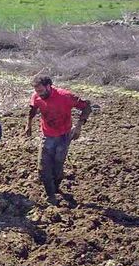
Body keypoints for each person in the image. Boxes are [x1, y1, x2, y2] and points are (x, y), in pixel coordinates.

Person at [24, 75, 91, 205]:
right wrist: (29, 124)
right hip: (47, 135)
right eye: (37, 91)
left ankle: (56, 188)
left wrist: (78, 127)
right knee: (43, 167)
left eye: (41, 91)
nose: (39, 94)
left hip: (63, 135)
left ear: (49, 86)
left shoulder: (65, 96)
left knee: (58, 164)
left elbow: (86, 107)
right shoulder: (36, 96)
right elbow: (32, 110)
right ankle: (50, 195)